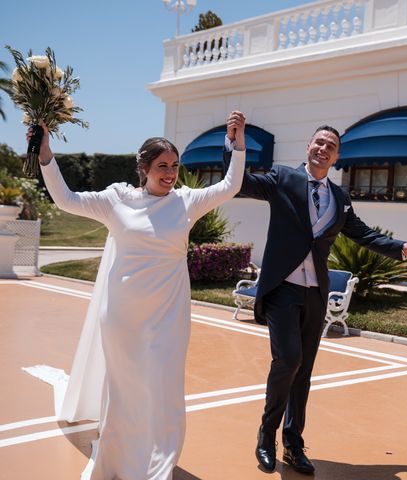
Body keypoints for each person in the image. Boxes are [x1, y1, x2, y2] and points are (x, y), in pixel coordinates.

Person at [28, 112, 247, 480]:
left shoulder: (187, 201)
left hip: (169, 317)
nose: (170, 173)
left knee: (164, 392)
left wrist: (237, 145)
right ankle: (120, 462)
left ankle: (158, 466)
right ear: (143, 168)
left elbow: (230, 185)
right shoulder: (117, 199)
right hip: (122, 317)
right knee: (125, 393)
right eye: (162, 166)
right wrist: (45, 153)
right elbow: (66, 199)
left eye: (175, 166)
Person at [223, 118, 407, 474]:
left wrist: (402, 248)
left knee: (303, 371)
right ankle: (266, 434)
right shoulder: (282, 179)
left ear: (337, 157)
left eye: (331, 147)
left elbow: (363, 234)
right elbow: (238, 183)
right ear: (308, 146)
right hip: (282, 289)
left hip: (317, 292)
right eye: (319, 143)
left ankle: (293, 443)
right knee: (288, 361)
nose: (323, 149)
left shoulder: (339, 198)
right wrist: (235, 144)